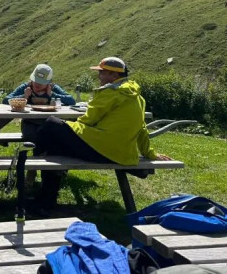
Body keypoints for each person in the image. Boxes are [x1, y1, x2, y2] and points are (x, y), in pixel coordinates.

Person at [31, 57, 171, 213]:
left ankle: (34, 170)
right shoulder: (136, 96)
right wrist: (149, 153)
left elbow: (88, 120)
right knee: (56, 147)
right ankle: (44, 201)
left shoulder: (111, 92)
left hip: (101, 149)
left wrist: (70, 125)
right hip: (121, 155)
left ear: (114, 75)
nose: (99, 76)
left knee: (51, 123)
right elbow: (142, 128)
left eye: (102, 72)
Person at [3, 64, 76, 142]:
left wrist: (52, 94)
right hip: (29, 123)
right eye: (36, 81)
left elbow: (71, 101)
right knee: (36, 135)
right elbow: (6, 100)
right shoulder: (26, 87)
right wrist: (24, 96)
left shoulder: (53, 88)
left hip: (50, 123)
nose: (37, 84)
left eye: (41, 82)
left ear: (48, 82)